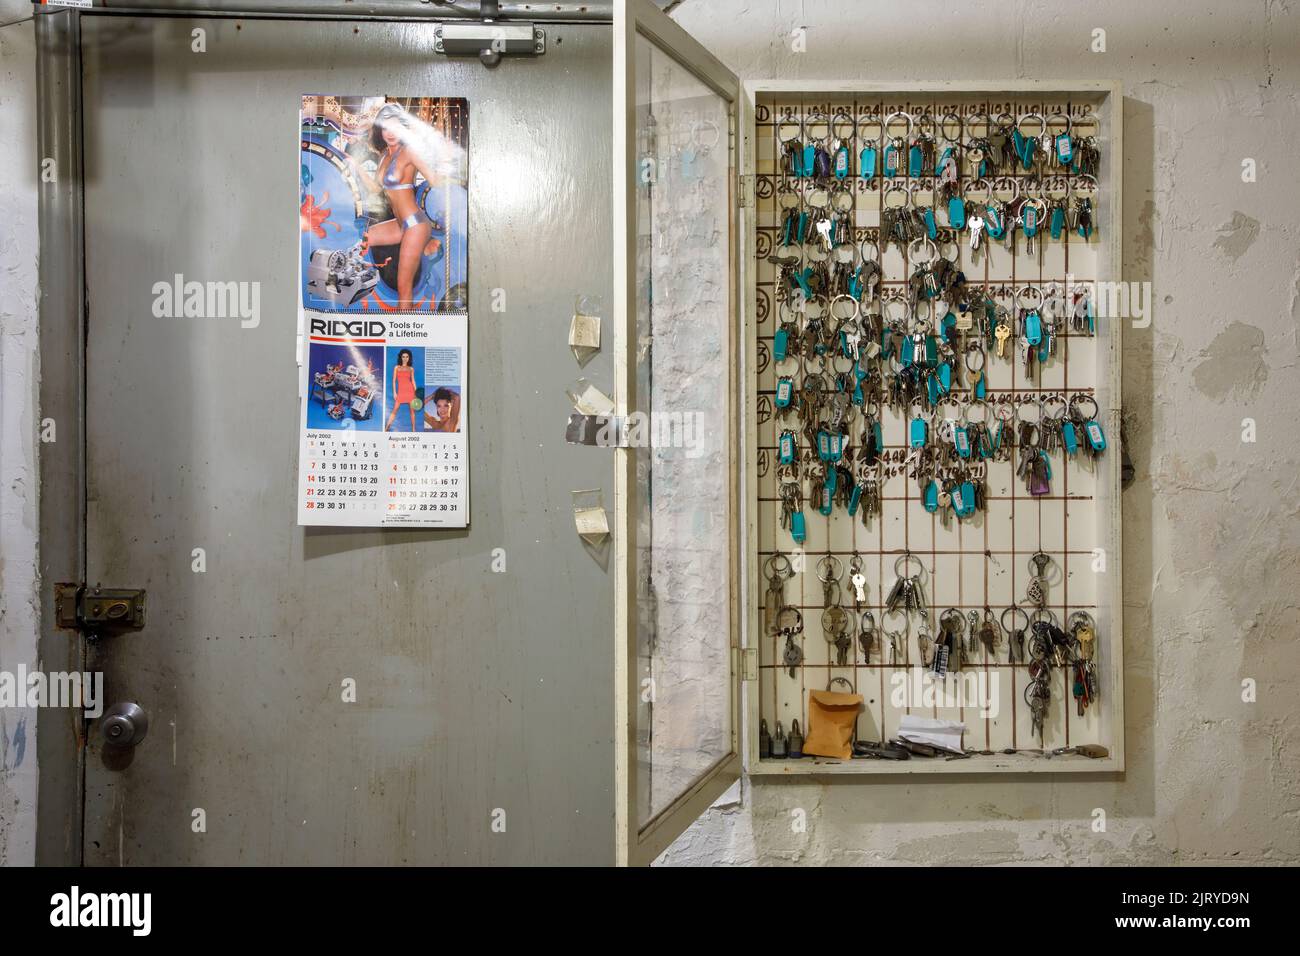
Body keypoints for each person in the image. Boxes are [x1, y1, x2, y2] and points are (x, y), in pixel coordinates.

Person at [347, 104, 444, 309]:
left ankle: (403, 335)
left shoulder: (409, 151)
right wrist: (356, 167)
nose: (390, 133)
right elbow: (375, 189)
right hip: (400, 225)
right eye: (385, 128)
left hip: (414, 224)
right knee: (363, 239)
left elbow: (434, 180)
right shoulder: (384, 155)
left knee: (403, 285)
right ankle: (358, 292)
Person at [385, 349, 418, 432]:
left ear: (409, 358)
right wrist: (394, 392)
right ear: (401, 357)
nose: (405, 358)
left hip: (410, 391)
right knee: (394, 411)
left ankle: (413, 429)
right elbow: (393, 380)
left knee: (412, 411)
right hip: (400, 392)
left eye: (407, 357)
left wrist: (416, 392)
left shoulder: (411, 369)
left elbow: (413, 380)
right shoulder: (396, 367)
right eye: (403, 357)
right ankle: (387, 428)